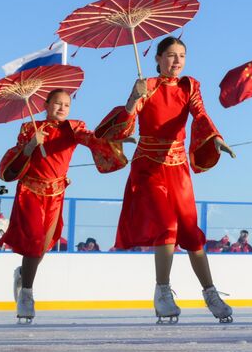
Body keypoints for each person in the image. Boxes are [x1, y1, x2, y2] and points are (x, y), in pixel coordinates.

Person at [95, 36, 238, 323]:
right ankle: (162, 293)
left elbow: (200, 115)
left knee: (191, 232)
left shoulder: (189, 86)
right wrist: (134, 99)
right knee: (166, 226)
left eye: (182, 55)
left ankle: (210, 293)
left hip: (178, 168)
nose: (177, 61)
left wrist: (216, 138)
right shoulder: (145, 86)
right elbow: (124, 125)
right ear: (158, 58)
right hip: (148, 167)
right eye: (171, 55)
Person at [0, 88, 123, 323]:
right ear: (46, 105)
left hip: (56, 193)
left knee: (44, 244)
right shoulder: (30, 129)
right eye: (57, 103)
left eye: (66, 104)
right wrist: (30, 146)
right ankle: (26, 294)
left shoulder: (73, 128)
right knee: (35, 243)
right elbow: (15, 160)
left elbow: (92, 138)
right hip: (31, 192)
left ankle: (23, 274)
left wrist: (113, 140)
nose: (62, 108)